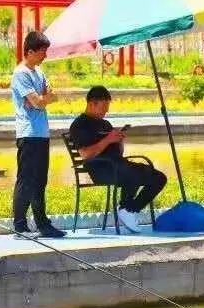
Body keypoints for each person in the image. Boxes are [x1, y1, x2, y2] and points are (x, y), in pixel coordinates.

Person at [68, 86, 167, 233]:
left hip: (118, 165)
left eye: (107, 107)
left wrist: (118, 140)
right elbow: (86, 154)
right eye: (104, 106)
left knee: (159, 177)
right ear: (92, 103)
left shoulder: (105, 124)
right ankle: (126, 208)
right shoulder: (80, 125)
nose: (106, 111)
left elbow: (118, 154)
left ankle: (129, 209)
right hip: (101, 170)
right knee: (131, 172)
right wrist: (108, 139)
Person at [11, 31, 65, 238]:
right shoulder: (21, 74)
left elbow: (51, 95)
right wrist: (43, 98)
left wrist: (43, 98)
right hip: (28, 133)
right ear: (30, 51)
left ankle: (43, 223)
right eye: (42, 52)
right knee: (26, 179)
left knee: (40, 180)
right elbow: (38, 101)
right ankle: (20, 225)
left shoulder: (39, 72)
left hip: (42, 133)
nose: (45, 56)